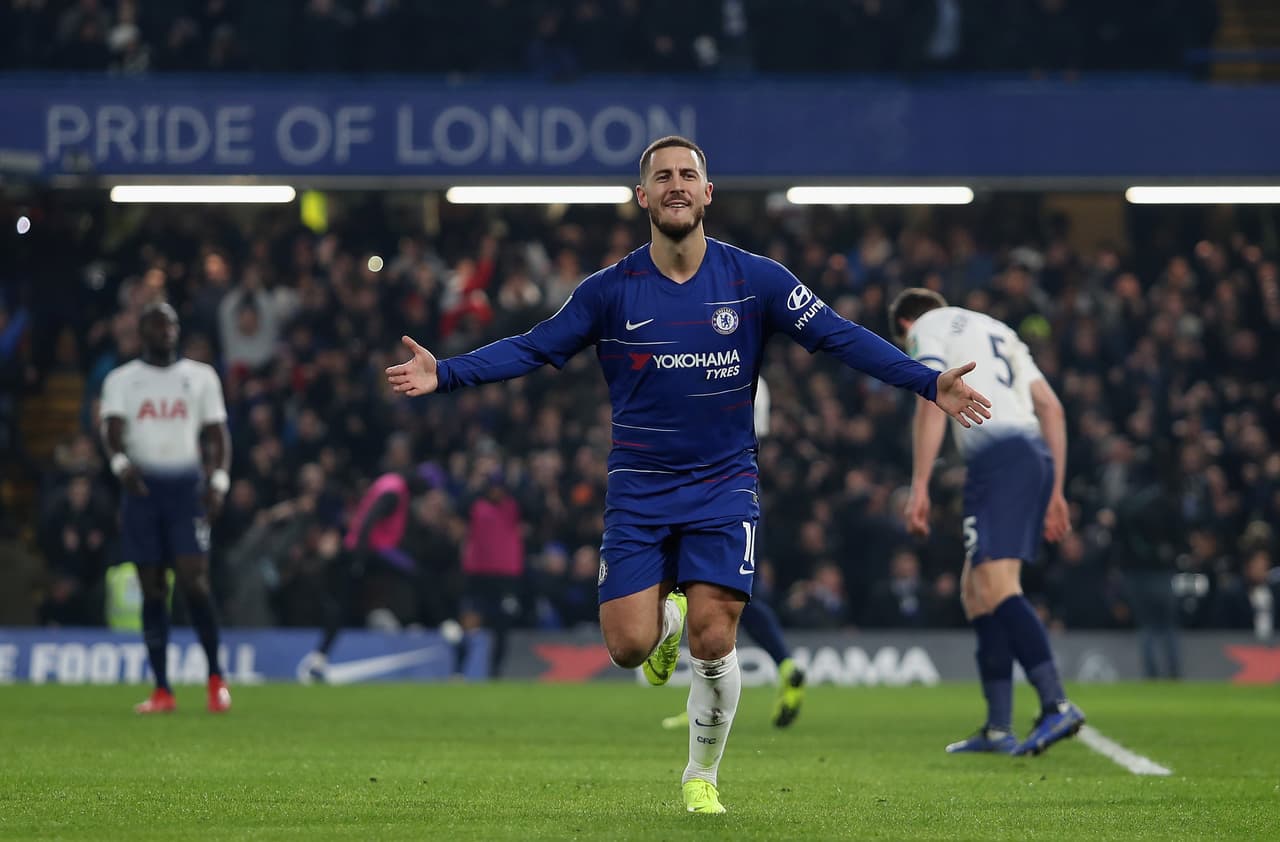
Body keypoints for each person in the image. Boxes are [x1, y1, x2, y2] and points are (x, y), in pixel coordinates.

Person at [387, 136, 991, 814]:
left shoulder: (755, 280)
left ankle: (701, 775)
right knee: (627, 647)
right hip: (639, 489)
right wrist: (446, 374)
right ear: (642, 196)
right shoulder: (610, 291)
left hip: (723, 483)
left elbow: (839, 335)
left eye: (688, 175)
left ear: (708, 193)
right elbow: (535, 347)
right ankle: (661, 628)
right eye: (662, 176)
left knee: (715, 634)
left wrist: (925, 381)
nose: (676, 185)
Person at [890, 287, 1084, 757]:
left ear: (904, 327)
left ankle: (1057, 704)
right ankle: (999, 727)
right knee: (976, 592)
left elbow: (931, 395)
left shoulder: (928, 326)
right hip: (1029, 455)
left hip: (999, 458)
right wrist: (1055, 488)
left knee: (997, 587)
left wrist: (919, 485)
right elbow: (1052, 408)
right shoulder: (999, 329)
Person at [99, 301, 233, 714]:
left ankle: (215, 678)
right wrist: (120, 465)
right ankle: (162, 689)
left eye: (172, 323)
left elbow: (217, 434)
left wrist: (220, 480)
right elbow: (112, 431)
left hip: (185, 490)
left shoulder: (200, 376)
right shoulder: (123, 380)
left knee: (194, 581)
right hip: (142, 491)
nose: (168, 331)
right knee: (153, 587)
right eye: (158, 325)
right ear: (143, 333)